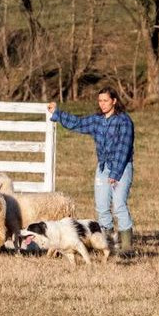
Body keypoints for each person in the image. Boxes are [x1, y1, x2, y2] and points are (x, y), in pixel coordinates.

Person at [47, 86, 135, 254]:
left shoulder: (124, 121)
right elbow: (78, 123)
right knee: (102, 207)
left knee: (119, 205)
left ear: (114, 101)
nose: (102, 104)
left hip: (122, 167)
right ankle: (108, 245)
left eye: (106, 101)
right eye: (100, 101)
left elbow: (123, 149)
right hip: (103, 167)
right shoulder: (97, 120)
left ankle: (126, 247)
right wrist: (58, 113)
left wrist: (115, 174)